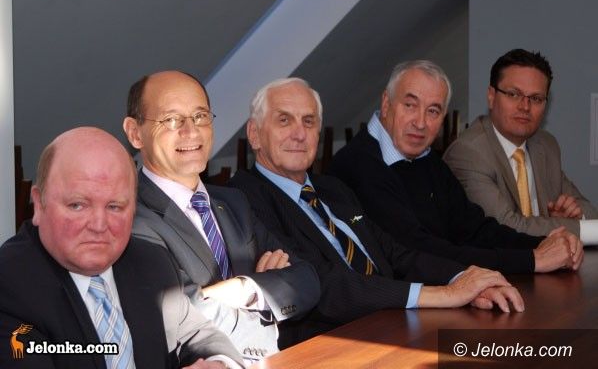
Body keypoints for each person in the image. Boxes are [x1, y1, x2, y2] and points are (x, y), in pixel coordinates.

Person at [229, 77, 524, 346]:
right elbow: (321, 283)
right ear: (255, 134)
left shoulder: (332, 188)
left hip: (394, 320)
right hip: (336, 341)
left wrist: (462, 278)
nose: (299, 134)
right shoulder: (241, 199)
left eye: (309, 121)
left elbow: (395, 253)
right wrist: (444, 295)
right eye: (284, 120)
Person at [0, 127, 243, 369]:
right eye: (77, 205)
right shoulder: (9, 287)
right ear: (39, 205)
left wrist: (219, 364)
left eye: (115, 207)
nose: (98, 225)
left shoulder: (152, 262)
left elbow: (201, 336)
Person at [122, 71, 319, 355]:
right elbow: (185, 317)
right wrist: (267, 297)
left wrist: (246, 288)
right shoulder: (130, 218)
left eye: (200, 116)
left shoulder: (233, 201)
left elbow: (307, 279)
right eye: (172, 119)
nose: (191, 131)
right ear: (135, 133)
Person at [329, 60, 583, 275]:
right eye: (410, 105)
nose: (420, 122)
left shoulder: (427, 160)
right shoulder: (358, 165)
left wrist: (544, 244)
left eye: (433, 111)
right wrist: (531, 260)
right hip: (379, 310)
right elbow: (417, 251)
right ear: (386, 104)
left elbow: (474, 229)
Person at [444, 48, 598, 240]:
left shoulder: (546, 144)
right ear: (491, 96)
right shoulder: (468, 152)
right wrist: (574, 227)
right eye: (513, 94)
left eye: (536, 98)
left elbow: (588, 210)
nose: (525, 107)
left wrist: (572, 217)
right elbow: (506, 227)